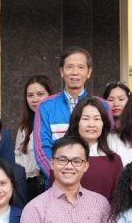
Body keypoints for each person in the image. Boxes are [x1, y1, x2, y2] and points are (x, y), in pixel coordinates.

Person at [34, 46, 99, 177]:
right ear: (62, 72)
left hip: (95, 178)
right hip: (56, 181)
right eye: (69, 67)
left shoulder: (102, 106)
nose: (75, 72)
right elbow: (41, 150)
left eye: (80, 67)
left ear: (89, 72)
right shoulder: (46, 107)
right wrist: (59, 178)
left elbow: (108, 145)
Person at [59, 97, 124, 199]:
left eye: (97, 119)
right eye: (85, 119)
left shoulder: (114, 160)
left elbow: (119, 199)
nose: (91, 124)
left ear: (103, 123)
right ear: (76, 122)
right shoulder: (61, 158)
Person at [15, 75, 54, 200]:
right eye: (30, 95)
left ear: (50, 95)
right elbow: (18, 160)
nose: (35, 99)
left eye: (40, 94)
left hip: (53, 182)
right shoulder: (24, 127)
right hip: (29, 187)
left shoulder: (57, 123)